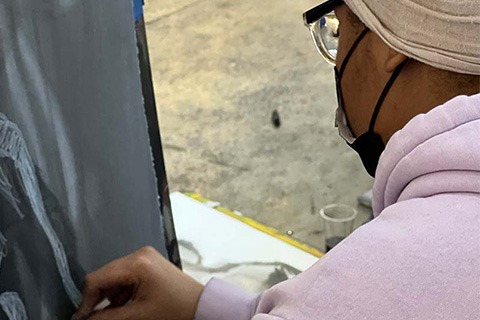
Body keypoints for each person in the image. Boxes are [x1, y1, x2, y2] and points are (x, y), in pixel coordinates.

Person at [72, 0, 480, 319]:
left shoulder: (375, 283)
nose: (337, 60)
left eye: (338, 27)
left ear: (390, 44)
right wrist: (211, 307)